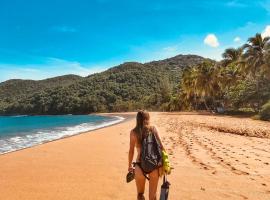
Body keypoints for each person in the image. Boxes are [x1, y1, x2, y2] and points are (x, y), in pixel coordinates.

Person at [128, 110, 165, 200]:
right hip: (154, 164)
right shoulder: (153, 128)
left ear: (137, 119)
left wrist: (129, 166)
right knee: (152, 196)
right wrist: (165, 162)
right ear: (148, 118)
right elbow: (161, 146)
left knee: (140, 194)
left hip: (140, 165)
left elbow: (131, 151)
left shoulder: (133, 132)